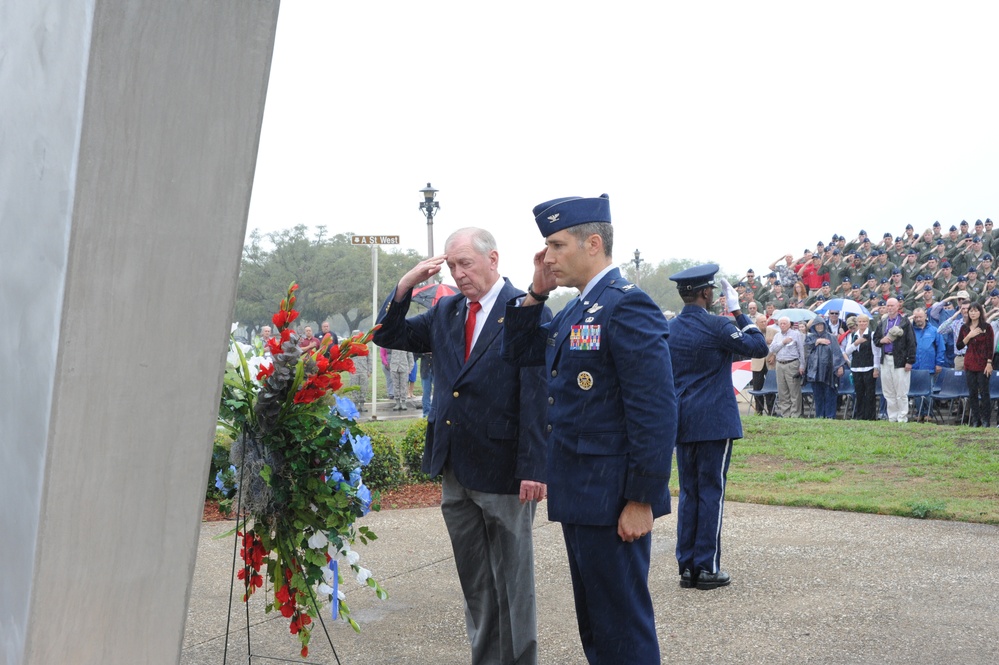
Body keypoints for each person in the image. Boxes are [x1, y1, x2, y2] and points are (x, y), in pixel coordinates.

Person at [503, 194, 675, 664]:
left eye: (557, 246)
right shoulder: (578, 309)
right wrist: (535, 294)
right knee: (598, 628)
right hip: (581, 494)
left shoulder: (626, 306)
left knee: (623, 628)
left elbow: (655, 411)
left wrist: (641, 498)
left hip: (614, 498)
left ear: (593, 243)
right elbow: (521, 353)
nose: (548, 257)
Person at [373, 227, 550, 665]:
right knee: (476, 582)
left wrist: (535, 466)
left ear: (493, 259)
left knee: (513, 583)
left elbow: (536, 393)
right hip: (456, 467)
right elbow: (386, 335)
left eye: (465, 263)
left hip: (506, 469)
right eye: (452, 265)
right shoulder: (446, 311)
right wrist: (405, 285)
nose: (458, 273)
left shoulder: (527, 310)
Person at [668, 265, 767, 591]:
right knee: (711, 493)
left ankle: (687, 567)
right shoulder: (718, 325)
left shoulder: (671, 328)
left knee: (689, 494)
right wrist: (738, 311)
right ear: (707, 293)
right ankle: (707, 567)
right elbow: (758, 348)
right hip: (714, 421)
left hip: (683, 420)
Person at [873, 297, 916, 423]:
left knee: (901, 391)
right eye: (888, 306)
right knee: (888, 390)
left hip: (900, 360)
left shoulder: (904, 322)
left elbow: (912, 342)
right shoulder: (883, 322)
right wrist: (882, 340)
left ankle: (902, 417)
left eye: (892, 306)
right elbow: (875, 339)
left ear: (898, 307)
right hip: (885, 358)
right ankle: (892, 417)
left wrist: (910, 361)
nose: (890, 308)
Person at [955, 302, 994, 427]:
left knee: (984, 392)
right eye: (970, 311)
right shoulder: (964, 328)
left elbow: (990, 347)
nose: (972, 313)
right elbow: (959, 345)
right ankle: (975, 420)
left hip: (983, 364)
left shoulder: (987, 327)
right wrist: (969, 336)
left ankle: (986, 420)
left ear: (980, 312)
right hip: (970, 363)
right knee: (972, 393)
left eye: (975, 311)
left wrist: (989, 363)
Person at [804, 318, 845, 419]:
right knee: (818, 396)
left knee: (830, 395)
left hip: (829, 371)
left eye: (821, 325)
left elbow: (837, 353)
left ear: (824, 325)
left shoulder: (831, 337)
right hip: (815, 371)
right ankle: (820, 416)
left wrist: (839, 366)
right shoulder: (810, 338)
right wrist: (817, 342)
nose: (819, 327)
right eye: (817, 325)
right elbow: (806, 350)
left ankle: (830, 416)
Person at [910, 308, 947, 422]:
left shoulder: (934, 330)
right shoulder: (910, 331)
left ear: (925, 316)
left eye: (920, 317)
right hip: (915, 366)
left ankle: (928, 413)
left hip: (929, 366)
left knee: (927, 392)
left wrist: (939, 363)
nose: (918, 319)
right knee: (916, 392)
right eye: (915, 317)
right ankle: (919, 412)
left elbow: (941, 348)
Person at [843, 314, 879, 420]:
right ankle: (860, 416)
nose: (862, 324)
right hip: (856, 368)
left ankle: (870, 417)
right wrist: (856, 343)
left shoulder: (871, 335)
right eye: (860, 322)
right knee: (859, 393)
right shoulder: (853, 335)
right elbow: (847, 351)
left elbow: (876, 353)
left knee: (870, 393)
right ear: (857, 323)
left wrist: (876, 368)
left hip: (869, 367)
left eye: (864, 322)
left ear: (867, 323)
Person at [769, 316, 805, 417]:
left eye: (785, 323)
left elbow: (801, 350)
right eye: (781, 323)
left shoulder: (796, 334)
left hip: (792, 363)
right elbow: (772, 349)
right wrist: (783, 342)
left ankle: (795, 415)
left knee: (794, 390)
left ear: (789, 324)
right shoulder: (777, 336)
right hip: (780, 364)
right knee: (782, 391)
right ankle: (785, 414)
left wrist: (802, 365)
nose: (783, 325)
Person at [751, 313, 777, 415]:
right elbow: (750, 346)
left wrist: (774, 355)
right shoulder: (752, 333)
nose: (764, 323)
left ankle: (771, 410)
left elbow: (779, 345)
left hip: (770, 361)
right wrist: (763, 341)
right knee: (757, 386)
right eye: (761, 322)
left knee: (770, 387)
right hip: (757, 362)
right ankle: (759, 410)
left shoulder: (774, 332)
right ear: (757, 323)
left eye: (765, 321)